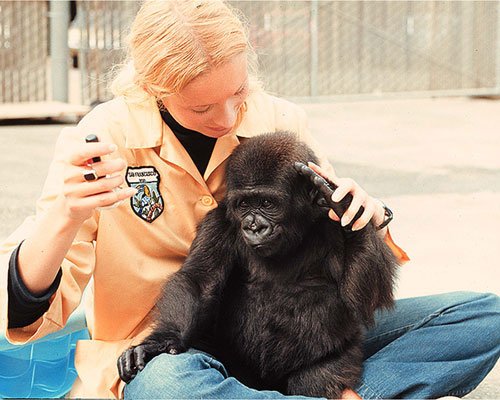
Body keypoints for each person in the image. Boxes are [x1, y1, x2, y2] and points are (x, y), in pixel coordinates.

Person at [1, 1, 498, 399]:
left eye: (239, 93)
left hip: (305, 333)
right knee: (168, 388)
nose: (228, 117)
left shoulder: (279, 122)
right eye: (202, 107)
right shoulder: (106, 138)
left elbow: (354, 275)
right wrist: (61, 217)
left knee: (483, 315)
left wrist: (368, 218)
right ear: (153, 88)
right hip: (181, 350)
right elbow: (27, 315)